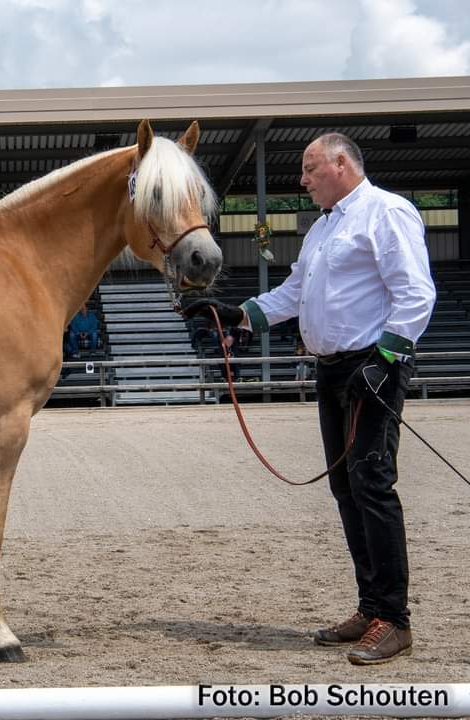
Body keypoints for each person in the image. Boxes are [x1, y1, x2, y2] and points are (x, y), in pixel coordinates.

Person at [183, 132, 436, 665]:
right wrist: (240, 314)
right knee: (346, 489)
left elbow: (416, 293)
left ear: (341, 164)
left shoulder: (387, 212)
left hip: (372, 368)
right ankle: (371, 607)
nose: (302, 179)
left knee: (372, 486)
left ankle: (394, 619)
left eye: (310, 168)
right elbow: (295, 293)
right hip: (331, 370)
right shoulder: (323, 227)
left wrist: (385, 359)